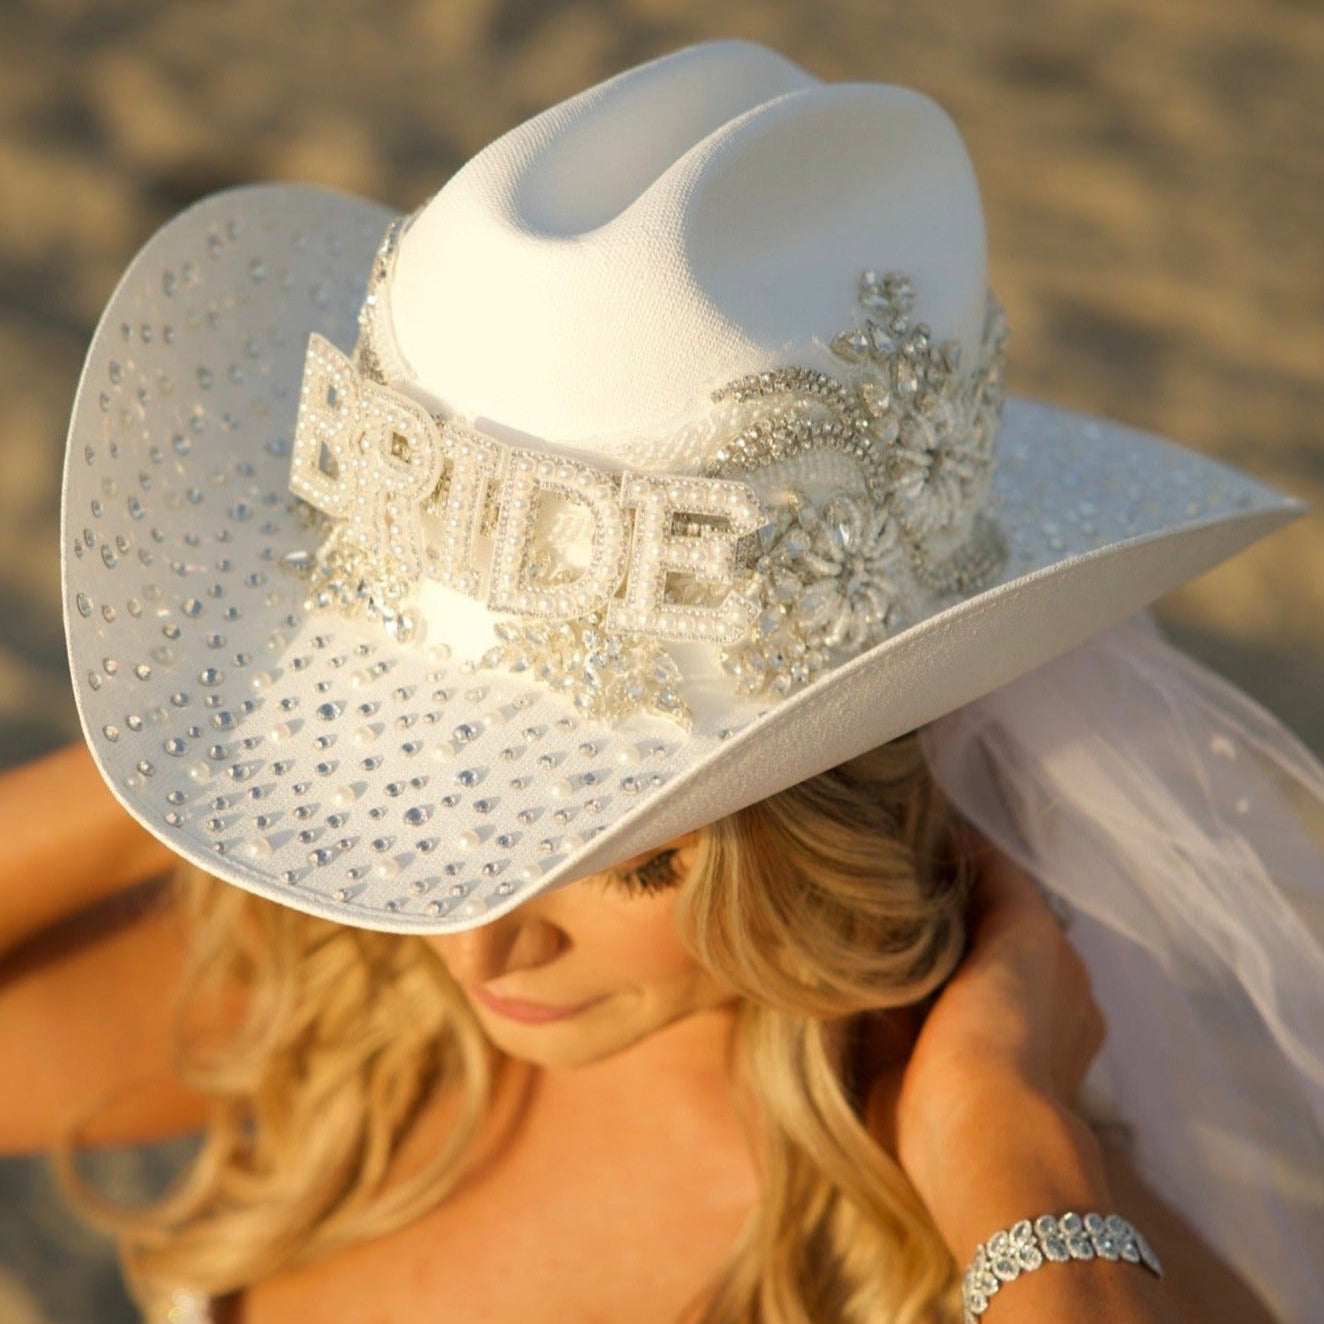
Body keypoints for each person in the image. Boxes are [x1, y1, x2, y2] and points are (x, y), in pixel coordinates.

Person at [4, 38, 1320, 1324]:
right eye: (446, 776)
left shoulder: (974, 1238)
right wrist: (233, 716)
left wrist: (1010, 1153)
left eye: (632, 854)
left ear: (825, 825)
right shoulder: (364, 1002)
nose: (483, 932)